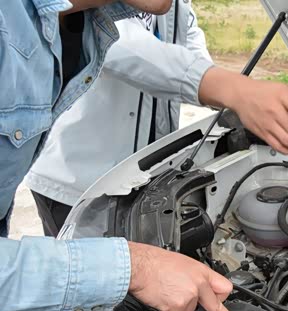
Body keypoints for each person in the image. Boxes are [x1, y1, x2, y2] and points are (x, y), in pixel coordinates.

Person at [0, 0, 288, 311]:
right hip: (83, 178)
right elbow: (134, 52)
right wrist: (133, 267)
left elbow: (180, 44)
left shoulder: (93, 19)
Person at [25, 3, 212, 235]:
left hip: (142, 172)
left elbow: (187, 32)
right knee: (82, 257)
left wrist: (222, 87)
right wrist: (219, 86)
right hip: (77, 177)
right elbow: (121, 44)